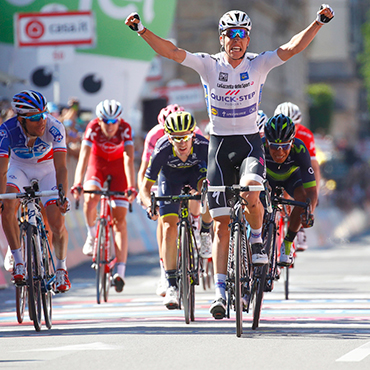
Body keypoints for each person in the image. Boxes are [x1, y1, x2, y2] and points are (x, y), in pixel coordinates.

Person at [125, 4, 334, 319]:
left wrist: (318, 22)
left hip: (250, 143)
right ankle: (221, 292)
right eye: (230, 35)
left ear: (247, 39)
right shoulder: (209, 65)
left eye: (242, 35)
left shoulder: (259, 63)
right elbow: (171, 51)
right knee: (221, 224)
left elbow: (292, 47)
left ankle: (258, 241)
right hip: (219, 146)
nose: (236, 40)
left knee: (251, 189)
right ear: (221, 38)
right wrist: (142, 30)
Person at [139, 111, 213, 309]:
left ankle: (205, 232)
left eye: (186, 138)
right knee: (169, 229)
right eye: (177, 138)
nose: (182, 143)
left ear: (193, 135)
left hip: (196, 174)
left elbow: (217, 178)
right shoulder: (161, 149)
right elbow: (145, 189)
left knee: (207, 190)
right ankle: (171, 285)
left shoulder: (203, 146)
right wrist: (149, 205)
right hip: (170, 180)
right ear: (169, 138)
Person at [0, 90, 71, 292]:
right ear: (21, 120)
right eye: (36, 117)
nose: (42, 121)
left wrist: (62, 195)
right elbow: (2, 170)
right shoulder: (6, 131)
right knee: (7, 206)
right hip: (19, 169)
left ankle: (60, 269)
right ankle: (19, 261)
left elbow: (62, 168)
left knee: (57, 222)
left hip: (47, 170)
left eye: (44, 114)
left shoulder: (54, 126)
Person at [71, 99, 136, 293]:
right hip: (97, 166)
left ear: (119, 120)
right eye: (106, 122)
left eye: (114, 121)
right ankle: (92, 236)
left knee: (120, 222)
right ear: (99, 121)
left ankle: (120, 273)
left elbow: (128, 157)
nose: (110, 126)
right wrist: (78, 182)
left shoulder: (125, 128)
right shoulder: (92, 128)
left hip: (118, 170)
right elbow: (83, 156)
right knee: (90, 199)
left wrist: (131, 186)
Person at [263, 114, 317, 265]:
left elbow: (312, 190)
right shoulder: (259, 147)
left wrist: (309, 212)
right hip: (267, 180)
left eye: (285, 146)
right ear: (267, 142)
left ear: (292, 143)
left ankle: (287, 243)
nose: (279, 152)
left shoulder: (300, 149)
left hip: (291, 179)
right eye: (274, 146)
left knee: (303, 198)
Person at [274, 101, 321, 251]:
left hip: (298, 167)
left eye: (294, 126)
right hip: (278, 167)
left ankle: (298, 229)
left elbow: (313, 167)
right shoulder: (272, 129)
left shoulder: (305, 134)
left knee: (304, 190)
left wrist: (314, 197)